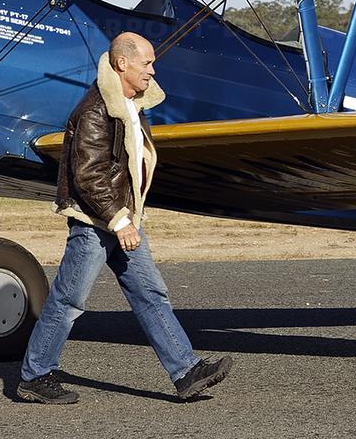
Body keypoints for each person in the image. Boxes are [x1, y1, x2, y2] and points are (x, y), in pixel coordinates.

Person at [17, 32, 232, 404]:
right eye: (146, 62)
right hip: (97, 222)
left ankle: (186, 372)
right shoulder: (96, 110)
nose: (153, 69)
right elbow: (88, 173)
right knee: (69, 301)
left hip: (122, 219)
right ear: (122, 64)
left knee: (151, 294)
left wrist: (126, 218)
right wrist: (119, 221)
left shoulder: (131, 105)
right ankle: (35, 376)